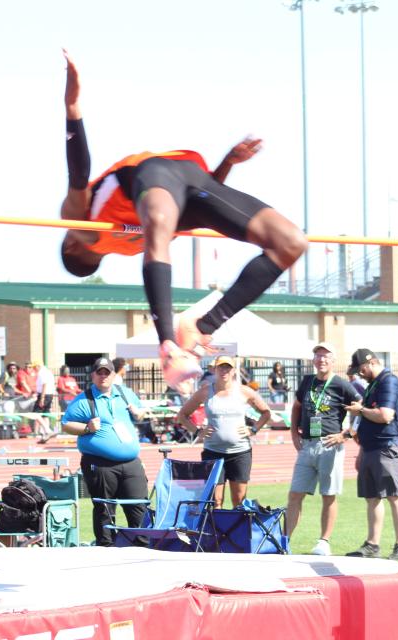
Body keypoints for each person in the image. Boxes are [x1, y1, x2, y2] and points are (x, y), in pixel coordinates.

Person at [57, 50, 307, 391]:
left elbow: (80, 173)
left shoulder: (84, 226)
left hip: (188, 181)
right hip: (159, 181)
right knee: (160, 224)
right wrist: (72, 107)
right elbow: (80, 172)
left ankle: (201, 326)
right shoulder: (85, 232)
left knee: (291, 242)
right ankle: (169, 346)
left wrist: (228, 162)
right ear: (73, 244)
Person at [61, 357, 149, 546]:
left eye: (106, 372)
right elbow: (66, 424)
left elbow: (141, 413)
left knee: (139, 506)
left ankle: (143, 548)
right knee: (105, 509)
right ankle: (106, 548)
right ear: (93, 375)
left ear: (113, 375)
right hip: (100, 463)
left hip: (131, 462)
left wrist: (138, 413)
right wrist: (87, 428)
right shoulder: (84, 400)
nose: (103, 376)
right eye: (99, 372)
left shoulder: (125, 393)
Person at [285, 343, 361, 556]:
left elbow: (361, 409)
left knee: (328, 494)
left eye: (326, 357)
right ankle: (285, 540)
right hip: (307, 444)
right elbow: (297, 407)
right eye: (318, 356)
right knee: (294, 494)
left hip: (330, 444)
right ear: (313, 360)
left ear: (333, 361)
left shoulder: (341, 385)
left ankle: (324, 541)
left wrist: (346, 434)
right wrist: (293, 432)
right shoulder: (307, 381)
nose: (322, 360)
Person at [176, 355, 270, 508]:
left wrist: (253, 429)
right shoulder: (206, 392)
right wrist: (197, 431)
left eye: (228, 367)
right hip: (213, 452)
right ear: (215, 369)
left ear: (233, 371)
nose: (224, 370)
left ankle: (236, 531)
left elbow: (266, 413)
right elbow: (182, 415)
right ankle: (218, 532)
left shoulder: (244, 391)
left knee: (239, 500)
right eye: (221, 367)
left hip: (240, 452)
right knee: (215, 500)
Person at [344, 348, 398, 561]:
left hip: (386, 446)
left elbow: (385, 415)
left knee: (394, 496)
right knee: (372, 498)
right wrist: (362, 450)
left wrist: (360, 410)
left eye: (361, 369)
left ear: (371, 362)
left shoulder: (388, 381)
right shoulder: (374, 383)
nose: (359, 373)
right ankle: (372, 544)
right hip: (371, 446)